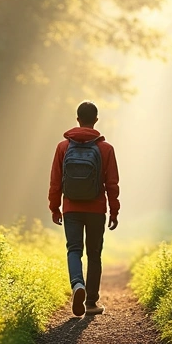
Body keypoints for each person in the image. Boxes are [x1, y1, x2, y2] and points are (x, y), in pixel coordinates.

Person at [49, 100, 120, 317]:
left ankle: (77, 285)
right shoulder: (106, 149)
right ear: (96, 120)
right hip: (97, 209)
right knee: (94, 254)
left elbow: (55, 182)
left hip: (71, 207)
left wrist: (55, 207)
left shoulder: (63, 147)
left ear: (78, 119)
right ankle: (90, 302)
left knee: (74, 250)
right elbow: (112, 184)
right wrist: (114, 211)